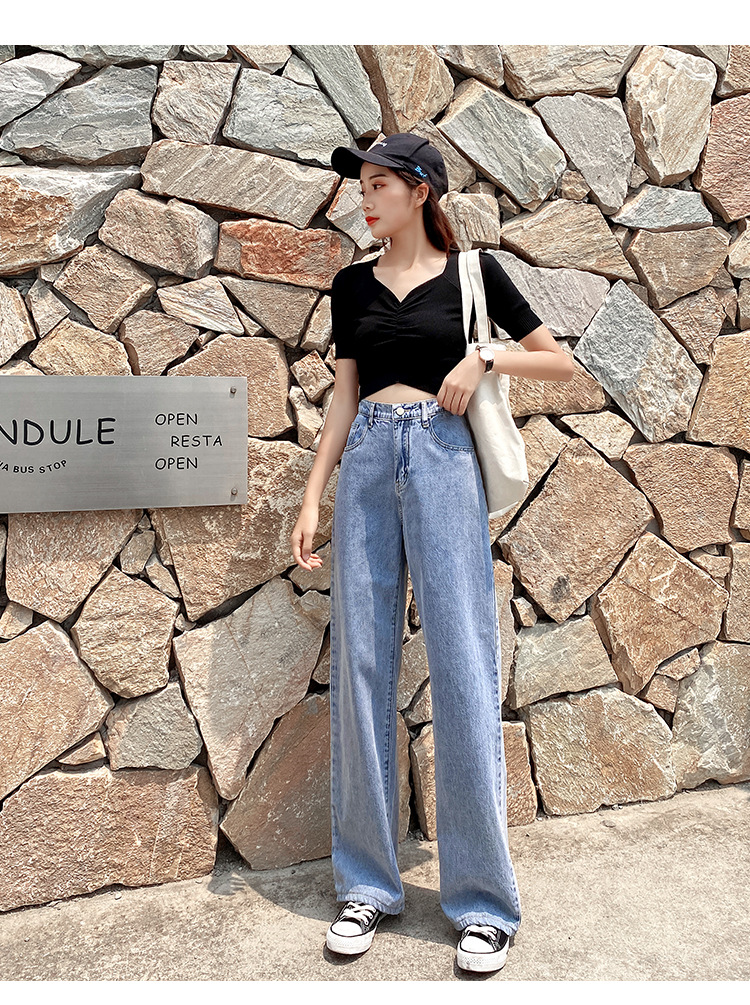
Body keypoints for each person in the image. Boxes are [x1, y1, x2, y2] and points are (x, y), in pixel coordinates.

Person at [290, 133, 574, 973]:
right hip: (369, 460)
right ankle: (366, 884)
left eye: (380, 184)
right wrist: (312, 495)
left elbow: (558, 362)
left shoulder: (475, 274)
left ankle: (482, 902)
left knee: (463, 665)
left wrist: (483, 355)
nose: (365, 198)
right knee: (362, 669)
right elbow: (344, 398)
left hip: (446, 458)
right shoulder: (352, 285)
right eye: (362, 186)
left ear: (421, 191)